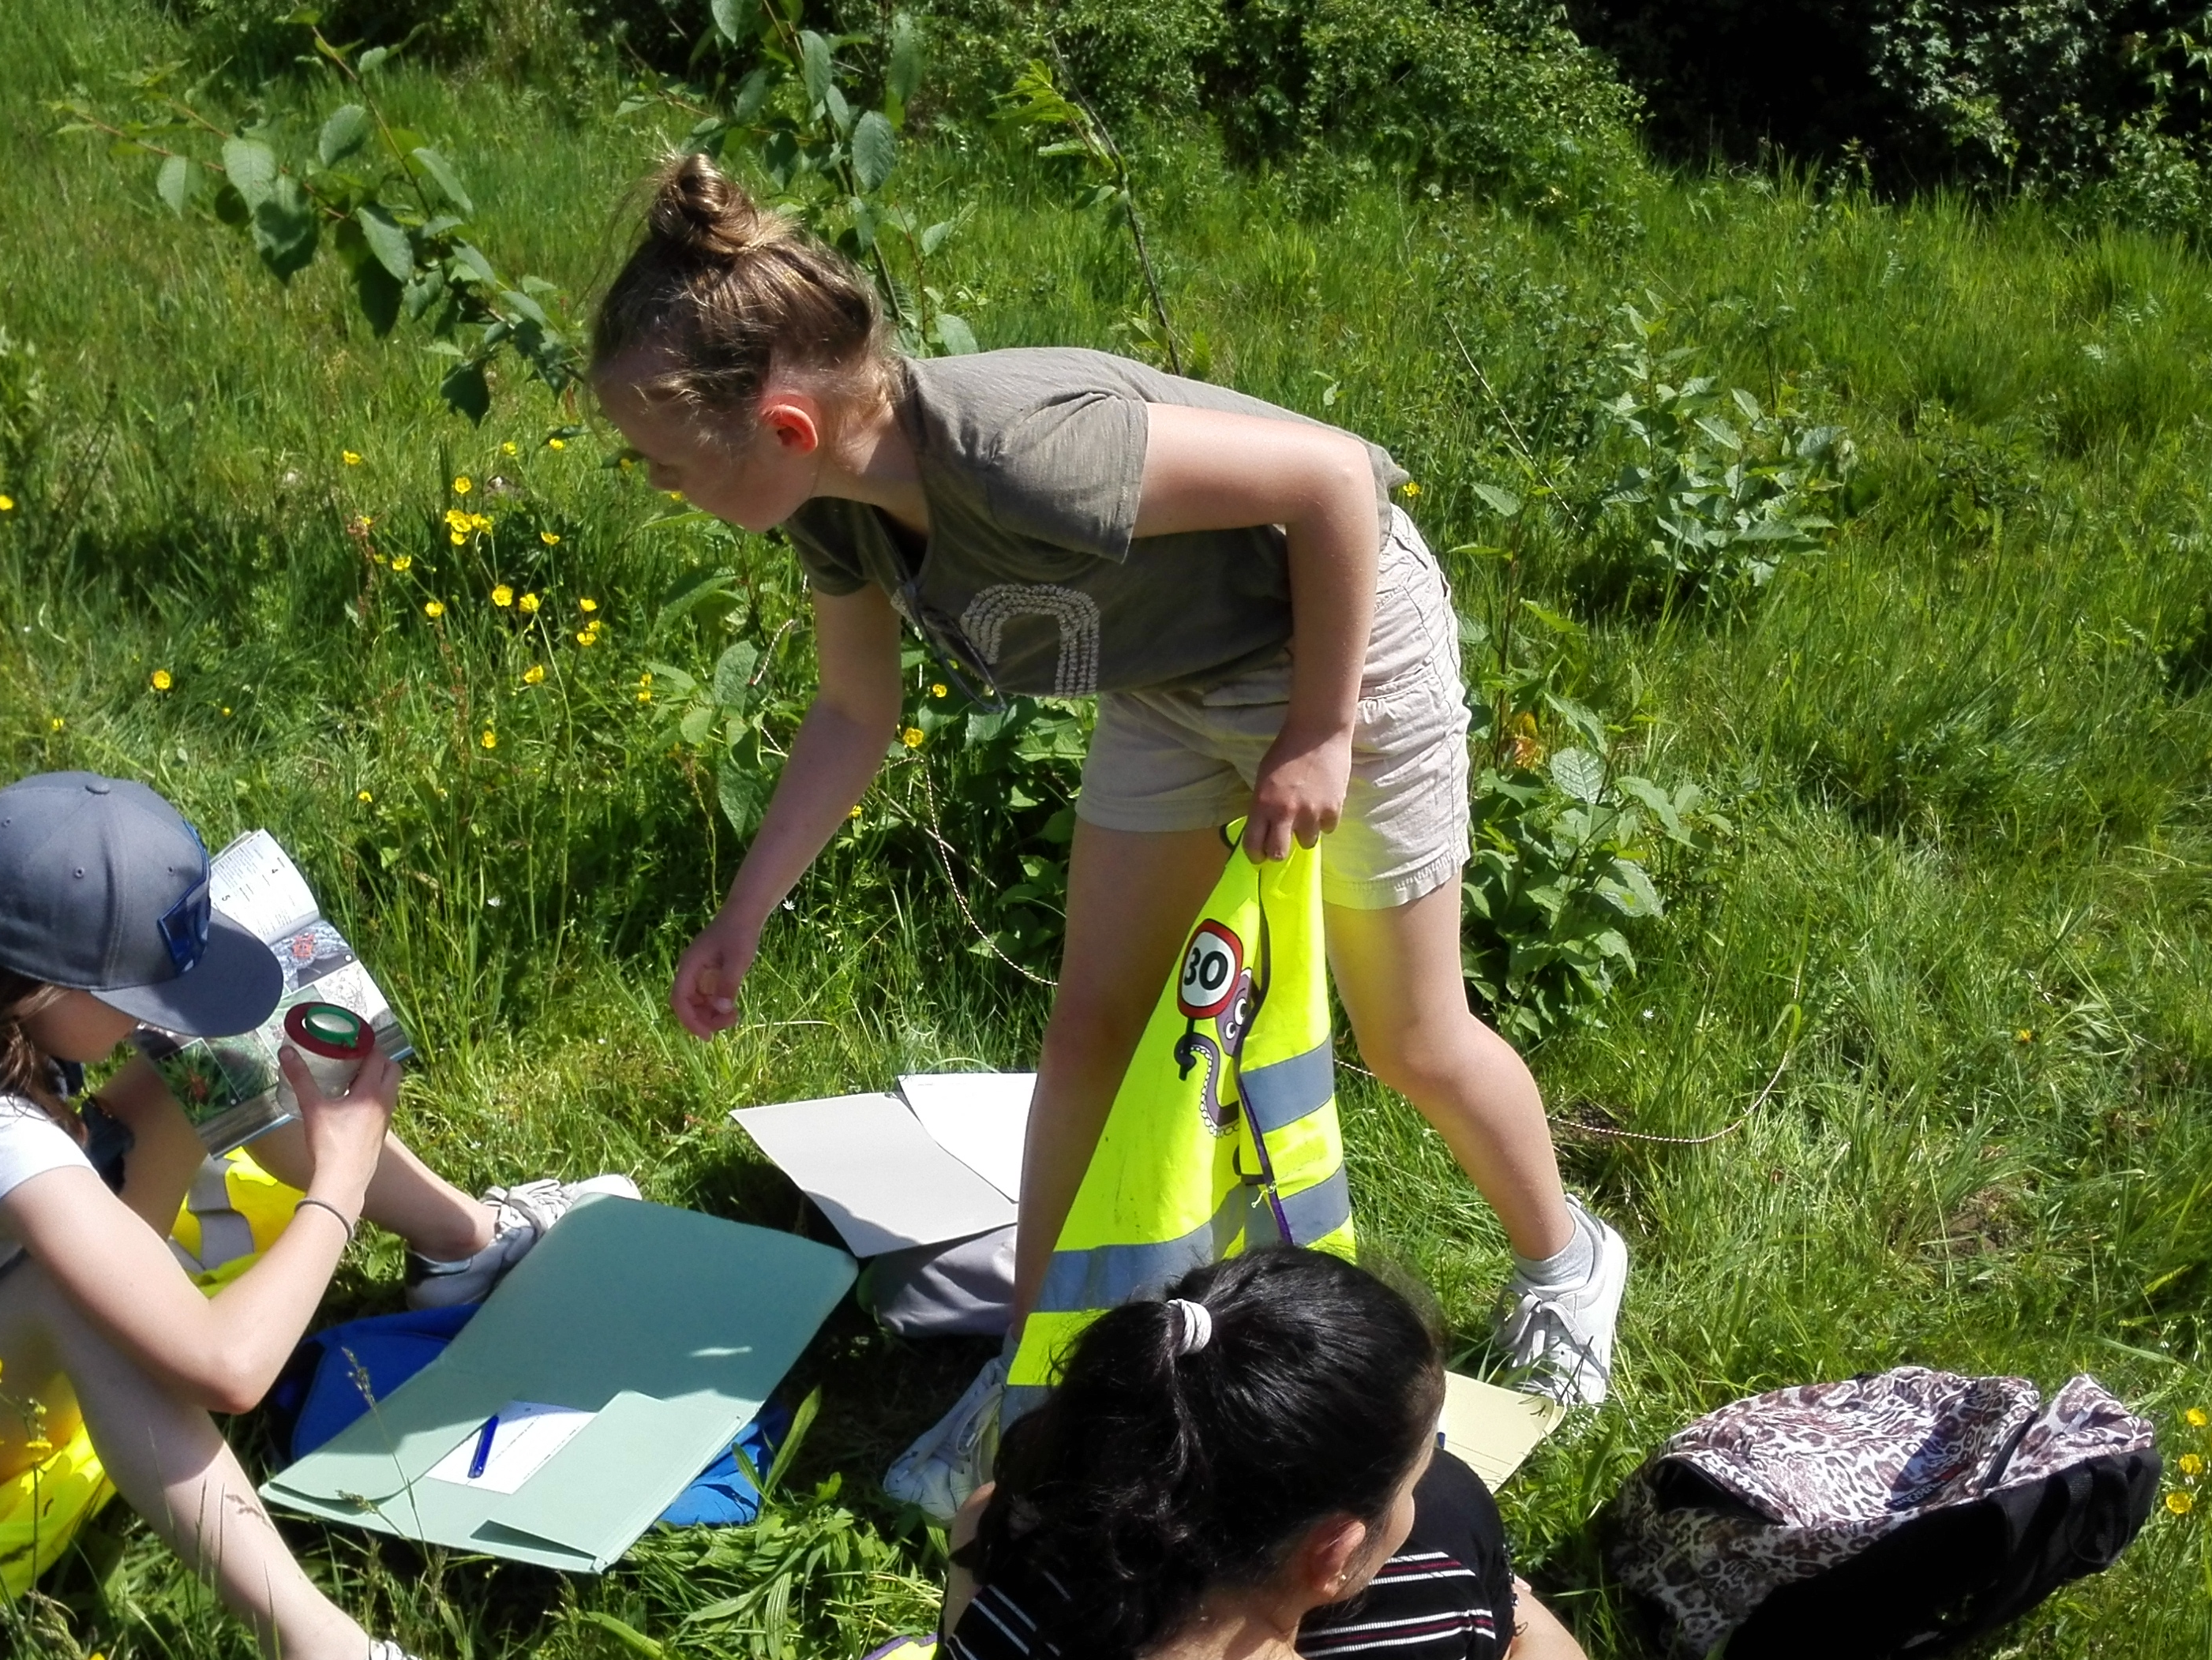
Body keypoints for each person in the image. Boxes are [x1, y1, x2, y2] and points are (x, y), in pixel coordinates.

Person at [589, 156, 1631, 1418]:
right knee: (1095, 1029)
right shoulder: (832, 507)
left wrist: (1318, 730)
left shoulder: (1024, 451)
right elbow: (856, 713)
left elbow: (1334, 486)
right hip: (1171, 684)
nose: (665, 492)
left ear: (786, 427)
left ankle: (1565, 1261)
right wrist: (744, 913)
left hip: (1337, 647)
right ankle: (1035, 1373)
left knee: (1409, 1036)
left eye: (667, 465)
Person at [0, 770, 623, 1660]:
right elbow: (231, 1370)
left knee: (205, 1066)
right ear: (39, 989)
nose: (143, 1022)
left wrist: (206, 1065)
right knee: (82, 1305)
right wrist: (339, 1178)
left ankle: (464, 1244)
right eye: (134, 1000)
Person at [905, 1249, 1644, 1660]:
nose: (1419, 1503)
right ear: (1334, 1553)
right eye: (1414, 1482)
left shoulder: (993, 1534)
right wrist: (1512, 1603)